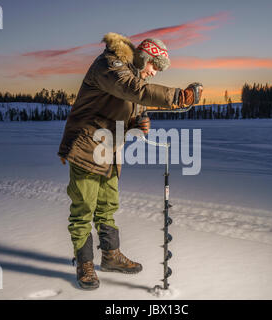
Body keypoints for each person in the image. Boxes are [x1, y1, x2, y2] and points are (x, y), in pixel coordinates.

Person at [58, 32, 203, 290]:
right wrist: (179, 97)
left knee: (108, 205)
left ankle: (111, 256)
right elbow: (134, 90)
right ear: (144, 57)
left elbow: (116, 109)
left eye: (159, 69)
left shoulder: (129, 73)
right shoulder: (110, 65)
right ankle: (84, 265)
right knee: (84, 209)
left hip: (109, 149)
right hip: (86, 146)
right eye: (154, 66)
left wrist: (134, 123)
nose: (155, 73)